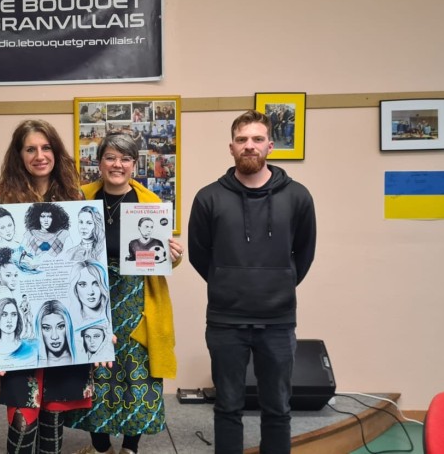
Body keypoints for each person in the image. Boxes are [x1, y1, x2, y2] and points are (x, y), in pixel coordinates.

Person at [187, 110, 317, 454]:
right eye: (242, 139)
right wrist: (226, 282)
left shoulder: (298, 196)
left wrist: (279, 282)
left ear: (270, 146)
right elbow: (200, 255)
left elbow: (304, 253)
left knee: (278, 407)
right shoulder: (208, 198)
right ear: (231, 147)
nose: (249, 146)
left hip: (278, 321)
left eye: (257, 139)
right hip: (225, 320)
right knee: (227, 406)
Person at [67, 132, 183, 454]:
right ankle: (101, 447)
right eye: (110, 157)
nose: (117, 164)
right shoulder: (79, 198)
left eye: (125, 158)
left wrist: (174, 256)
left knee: (137, 374)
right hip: (90, 294)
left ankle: (131, 448)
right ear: (99, 162)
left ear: (134, 164)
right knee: (95, 371)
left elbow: (161, 258)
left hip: (137, 300)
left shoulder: (151, 204)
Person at [0, 119, 90, 454]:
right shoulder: (0, 195)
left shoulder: (73, 195)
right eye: (30, 149)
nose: (39, 155)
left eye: (46, 148)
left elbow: (85, 261)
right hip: (18, 319)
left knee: (54, 411)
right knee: (22, 413)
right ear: (19, 155)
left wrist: (94, 322)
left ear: (56, 152)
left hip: (60, 319)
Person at [69, 260, 110, 327]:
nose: (90, 292)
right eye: (82, 285)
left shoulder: (111, 316)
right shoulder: (72, 322)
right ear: (75, 289)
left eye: (96, 284)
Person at [36, 300, 75, 366]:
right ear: (40, 331)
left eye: (60, 326)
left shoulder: (83, 359)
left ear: (68, 327)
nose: (55, 337)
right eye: (47, 328)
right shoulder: (32, 363)